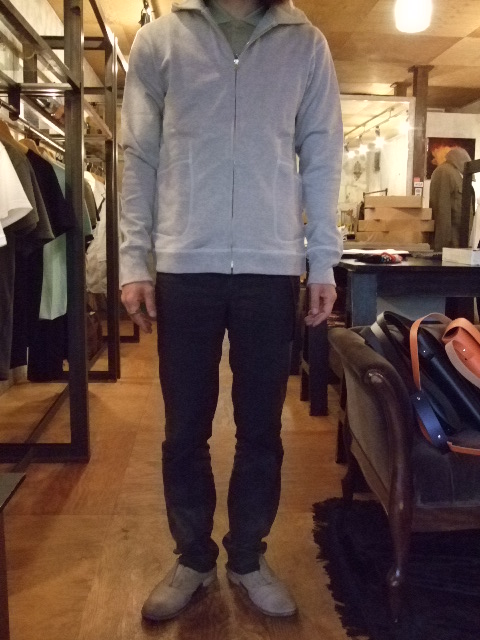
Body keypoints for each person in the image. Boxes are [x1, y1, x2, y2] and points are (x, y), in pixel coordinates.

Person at [120, 0, 343, 622]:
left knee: (262, 428)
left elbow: (323, 153)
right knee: (184, 428)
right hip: (184, 261)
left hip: (272, 265)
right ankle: (193, 557)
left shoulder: (306, 45)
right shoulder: (160, 41)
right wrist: (133, 259)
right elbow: (138, 154)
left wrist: (323, 259)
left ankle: (247, 555)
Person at [429, 146, 473, 252]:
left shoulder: (459, 175)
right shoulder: (444, 172)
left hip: (460, 241)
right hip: (450, 243)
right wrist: (442, 248)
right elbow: (442, 210)